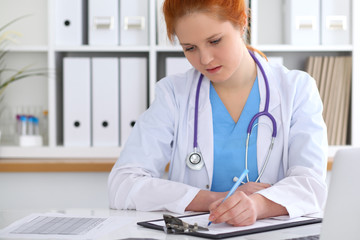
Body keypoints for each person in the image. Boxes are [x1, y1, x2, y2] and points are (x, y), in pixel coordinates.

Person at [108, 0, 328, 226]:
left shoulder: (296, 89)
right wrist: (219, 199)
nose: (204, 59)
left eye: (214, 41)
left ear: (242, 23)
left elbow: (311, 184)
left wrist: (257, 205)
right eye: (190, 48)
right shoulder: (174, 94)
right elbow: (122, 184)